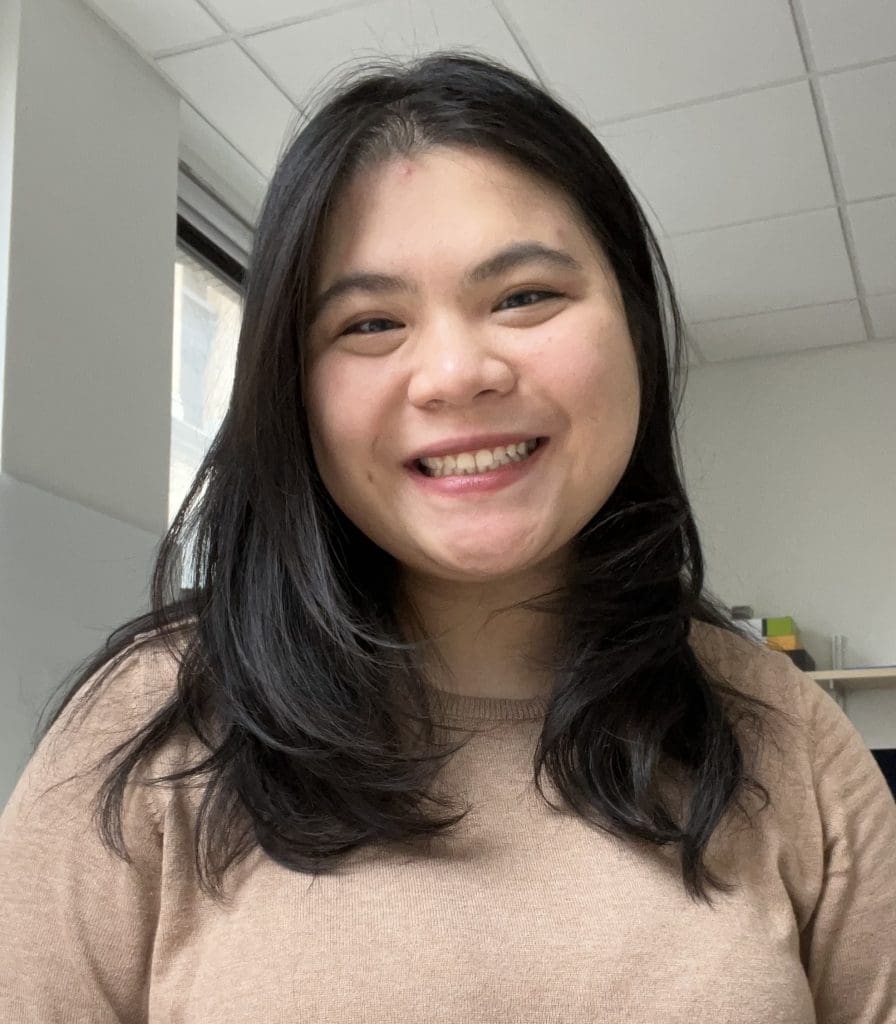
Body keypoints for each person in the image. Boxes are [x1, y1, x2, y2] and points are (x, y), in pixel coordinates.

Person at [1, 51, 894, 1024]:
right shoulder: (147, 728)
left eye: (522, 297)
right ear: (290, 389)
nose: (454, 372)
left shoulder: (783, 734)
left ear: (635, 329)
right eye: (370, 321)